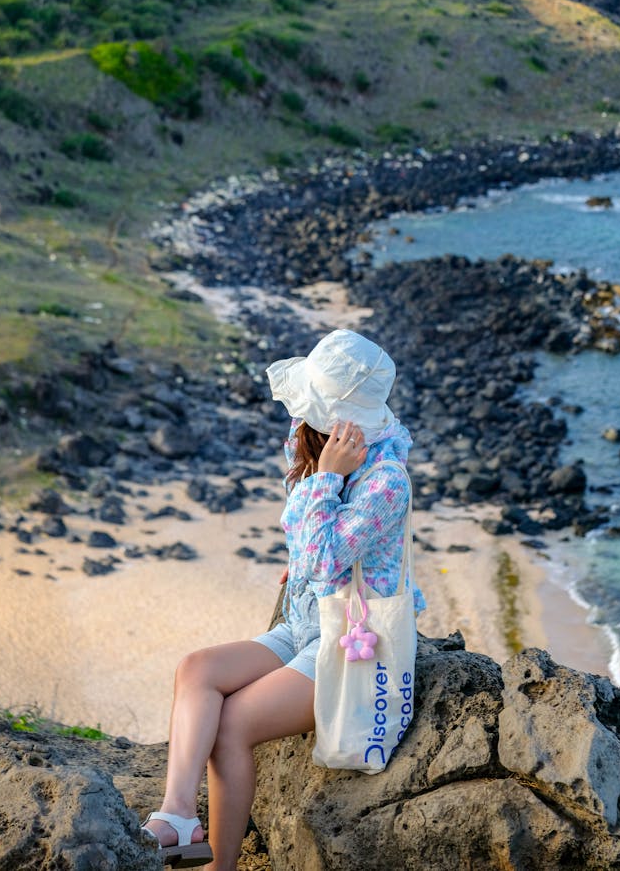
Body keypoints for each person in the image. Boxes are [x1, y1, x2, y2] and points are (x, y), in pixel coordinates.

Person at [141, 328, 425, 869]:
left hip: (348, 641)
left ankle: (220, 866)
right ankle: (178, 815)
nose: (298, 416)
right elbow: (309, 550)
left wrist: (327, 480)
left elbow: (324, 557)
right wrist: (300, 558)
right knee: (196, 669)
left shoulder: (386, 479)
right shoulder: (307, 436)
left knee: (233, 725)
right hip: (304, 620)